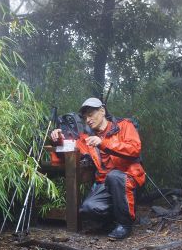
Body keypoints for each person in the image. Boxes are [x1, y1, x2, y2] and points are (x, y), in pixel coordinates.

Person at [50, 98, 145, 240]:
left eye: (91, 114)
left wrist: (103, 143)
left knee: (115, 176)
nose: (88, 119)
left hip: (127, 177)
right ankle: (113, 218)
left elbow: (134, 149)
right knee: (87, 208)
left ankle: (125, 224)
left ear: (102, 111)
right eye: (85, 117)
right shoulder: (87, 138)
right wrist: (58, 140)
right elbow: (67, 153)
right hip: (104, 184)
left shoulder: (124, 126)